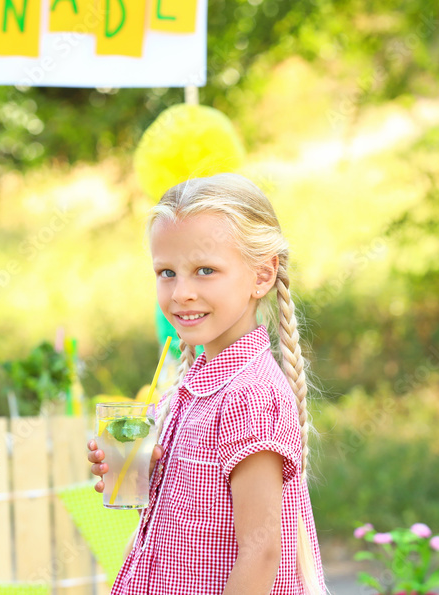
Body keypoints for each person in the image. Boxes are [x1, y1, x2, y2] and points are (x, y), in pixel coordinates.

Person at [87, 173, 326, 594]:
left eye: (204, 270)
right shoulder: (192, 385)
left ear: (261, 275)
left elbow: (262, 551)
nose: (181, 293)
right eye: (166, 272)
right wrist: (141, 473)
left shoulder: (248, 395)